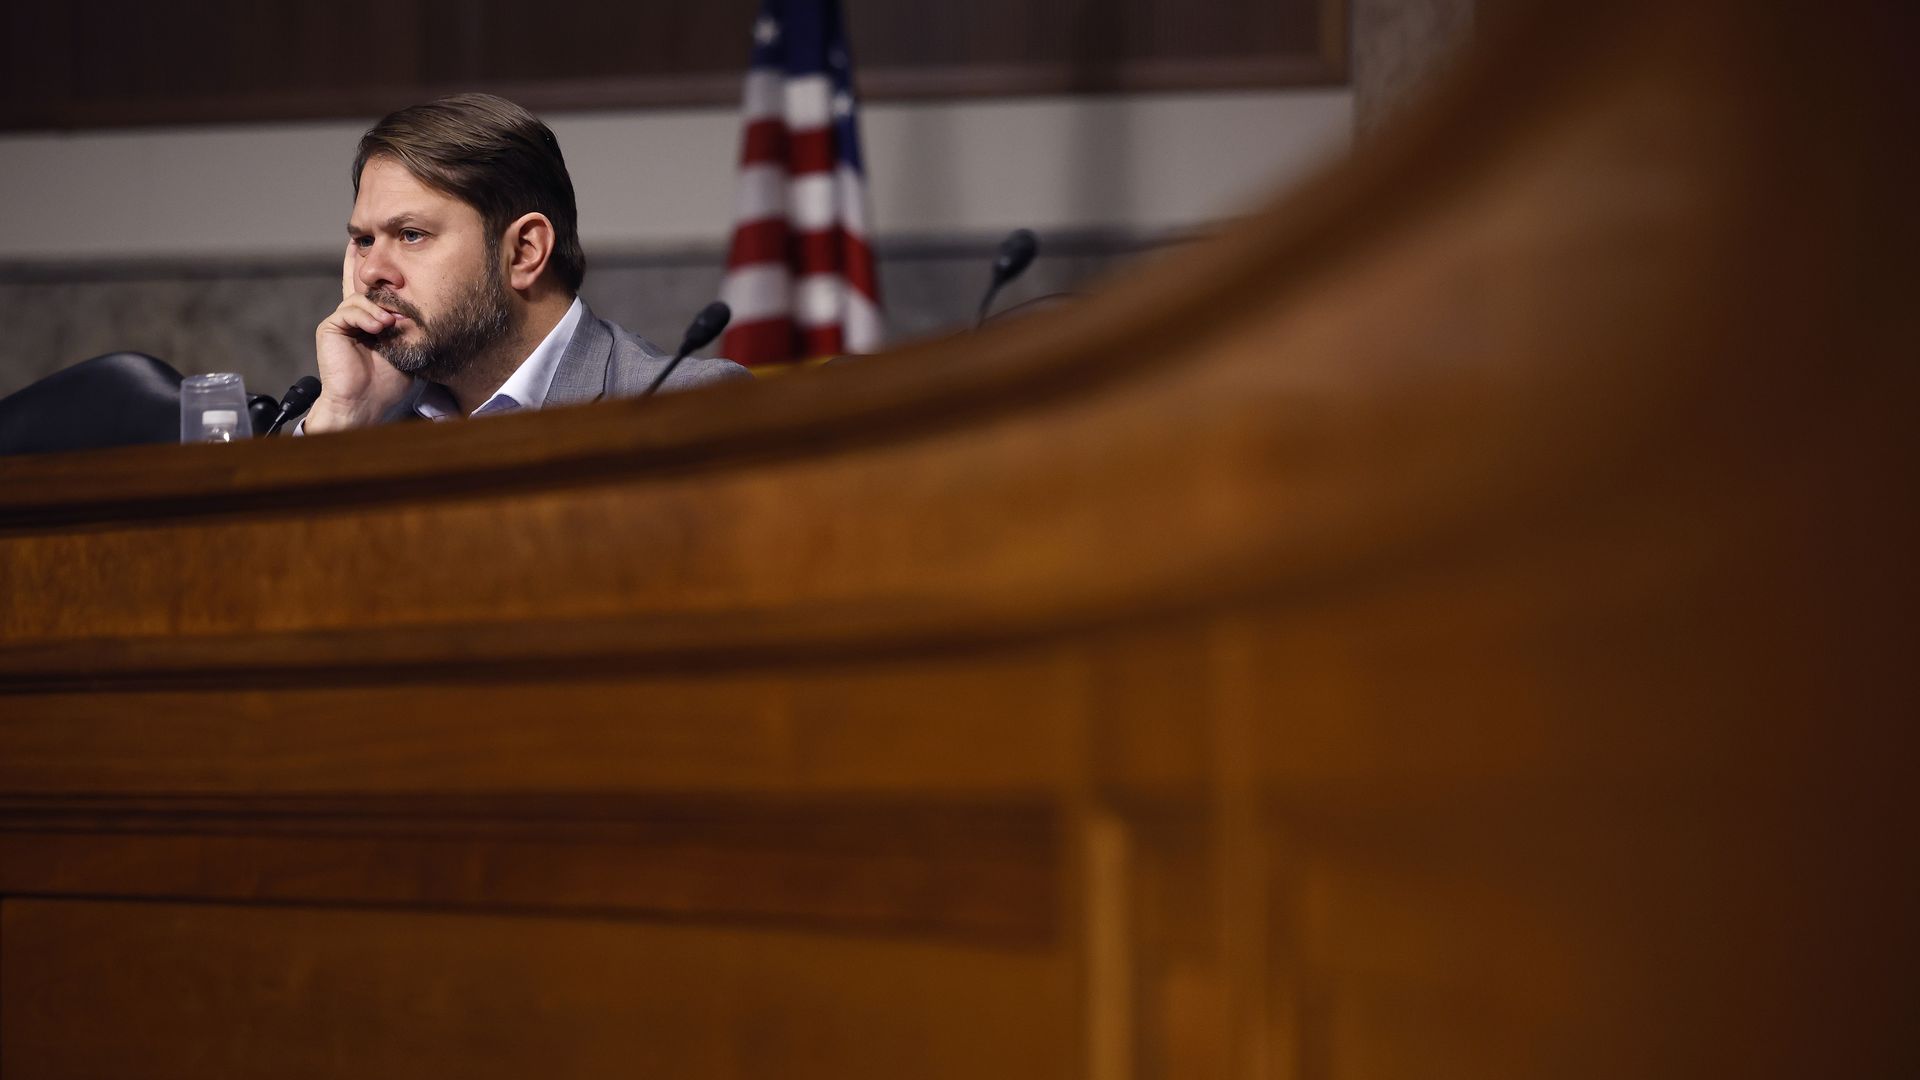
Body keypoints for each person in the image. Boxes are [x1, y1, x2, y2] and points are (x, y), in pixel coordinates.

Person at [301, 93, 748, 434]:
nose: (369, 271)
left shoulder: (690, 406)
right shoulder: (365, 421)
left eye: (411, 235)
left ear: (524, 252)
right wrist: (344, 414)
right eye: (363, 240)